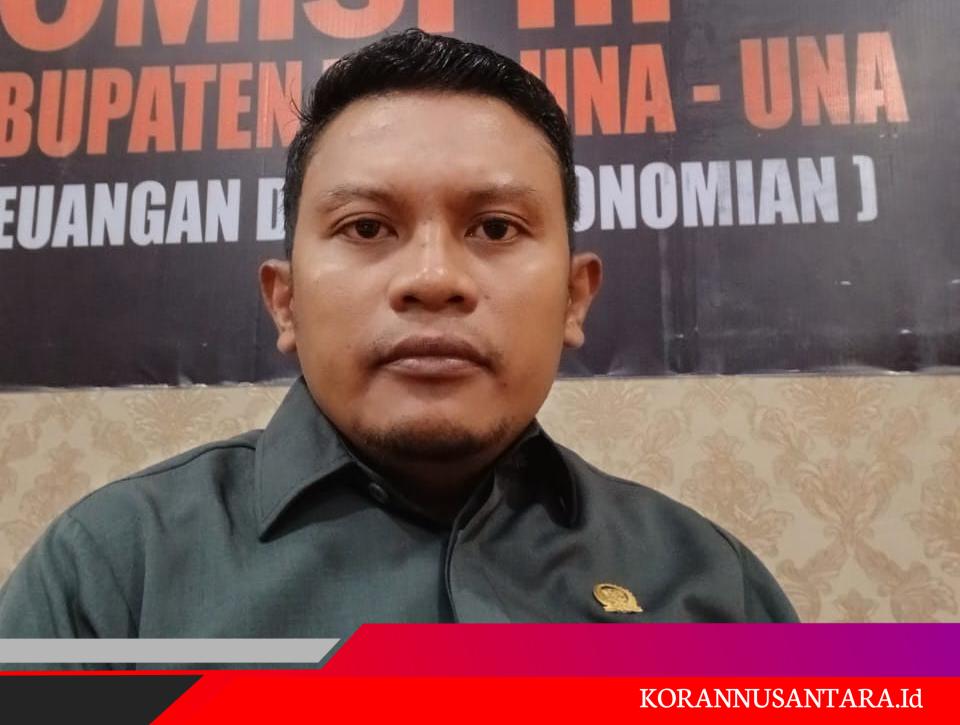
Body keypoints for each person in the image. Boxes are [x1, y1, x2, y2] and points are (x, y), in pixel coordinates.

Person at [0, 30, 797, 651]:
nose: (433, 278)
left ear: (573, 296)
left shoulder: (712, 588)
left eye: (495, 227)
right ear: (285, 301)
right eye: (367, 227)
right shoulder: (113, 575)